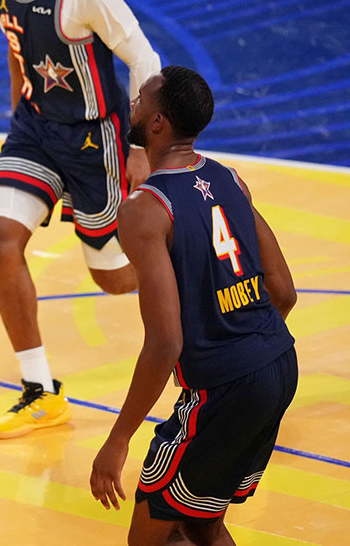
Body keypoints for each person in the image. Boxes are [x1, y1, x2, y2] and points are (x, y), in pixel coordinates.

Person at [0, 0, 163, 438]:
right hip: (35, 131)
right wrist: (16, 121)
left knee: (113, 279)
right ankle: (40, 391)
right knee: (0, 239)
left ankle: (186, 264)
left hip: (96, 141)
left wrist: (139, 147)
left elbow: (146, 63)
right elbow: (18, 53)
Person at [90, 66, 297, 546]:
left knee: (148, 538)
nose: (132, 106)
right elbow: (283, 290)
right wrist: (245, 344)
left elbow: (165, 344)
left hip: (224, 389)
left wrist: (117, 440)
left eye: (140, 99)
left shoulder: (145, 208)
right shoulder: (231, 180)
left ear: (158, 122)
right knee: (200, 523)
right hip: (280, 364)